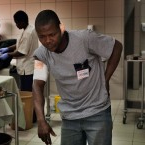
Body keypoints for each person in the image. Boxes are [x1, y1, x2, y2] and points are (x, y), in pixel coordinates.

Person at [32, 10, 123, 145]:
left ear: (60, 28)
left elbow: (117, 47)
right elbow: (37, 85)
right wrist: (40, 120)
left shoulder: (85, 39)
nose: (48, 41)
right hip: (70, 117)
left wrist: (106, 79)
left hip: (97, 111)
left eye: (52, 34)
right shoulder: (42, 54)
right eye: (42, 37)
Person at [0, 10, 38, 92]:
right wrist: (7, 48)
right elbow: (20, 44)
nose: (16, 25)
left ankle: (27, 105)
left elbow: (22, 52)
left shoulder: (28, 33)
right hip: (27, 67)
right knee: (27, 91)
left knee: (26, 92)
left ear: (22, 22)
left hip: (26, 69)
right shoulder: (30, 28)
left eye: (17, 22)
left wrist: (8, 54)